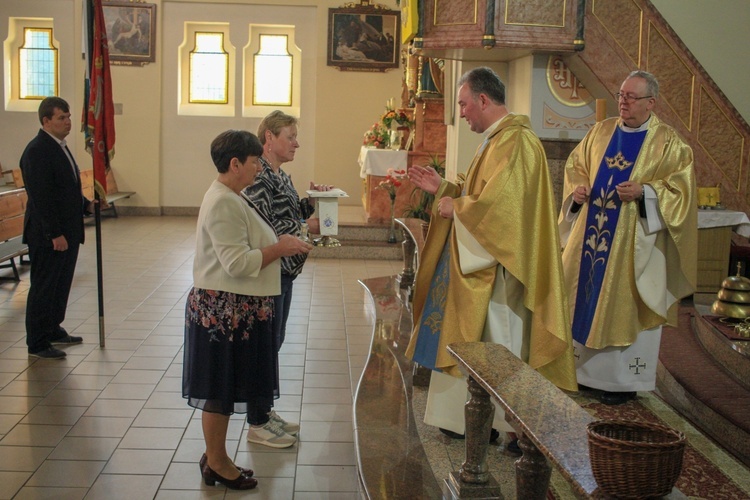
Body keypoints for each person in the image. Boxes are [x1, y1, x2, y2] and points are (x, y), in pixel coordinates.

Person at [405, 67, 577, 452]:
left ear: (484, 100)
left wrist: (457, 206)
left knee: (499, 341)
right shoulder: (495, 141)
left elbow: (503, 211)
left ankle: (509, 424)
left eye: (464, 105)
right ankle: (464, 419)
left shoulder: (516, 143)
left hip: (500, 273)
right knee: (470, 337)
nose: (462, 113)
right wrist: (447, 190)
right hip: (481, 263)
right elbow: (480, 195)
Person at [182, 130, 312, 490]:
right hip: (224, 313)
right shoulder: (223, 201)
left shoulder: (233, 195)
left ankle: (215, 457)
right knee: (219, 390)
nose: (258, 168)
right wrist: (281, 247)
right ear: (235, 164)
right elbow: (236, 263)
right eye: (254, 162)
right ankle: (218, 462)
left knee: (224, 387)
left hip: (235, 309)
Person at [559, 70, 697, 405]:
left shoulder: (669, 143)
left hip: (633, 246)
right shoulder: (600, 132)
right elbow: (576, 166)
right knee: (580, 297)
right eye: (621, 95)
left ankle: (619, 382)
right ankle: (580, 374)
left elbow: (681, 191)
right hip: (590, 239)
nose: (623, 102)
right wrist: (577, 191)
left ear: (651, 102)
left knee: (620, 304)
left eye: (632, 97)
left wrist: (645, 192)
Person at [242, 110, 332, 447]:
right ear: (269, 139)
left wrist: (313, 202)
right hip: (269, 275)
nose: (297, 143)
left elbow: (288, 212)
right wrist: (308, 228)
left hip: (285, 274)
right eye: (290, 137)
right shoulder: (260, 177)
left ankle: (265, 411)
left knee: (273, 343)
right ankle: (257, 421)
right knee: (263, 347)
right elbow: (264, 229)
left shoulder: (278, 174)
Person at [21, 97, 96, 359]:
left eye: (68, 116)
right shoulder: (37, 151)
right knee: (44, 285)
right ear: (46, 121)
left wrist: (86, 205)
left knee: (60, 284)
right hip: (49, 235)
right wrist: (54, 233)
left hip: (68, 231)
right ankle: (37, 341)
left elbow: (65, 188)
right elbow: (42, 198)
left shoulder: (59, 146)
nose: (68, 122)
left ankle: (53, 329)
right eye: (61, 117)